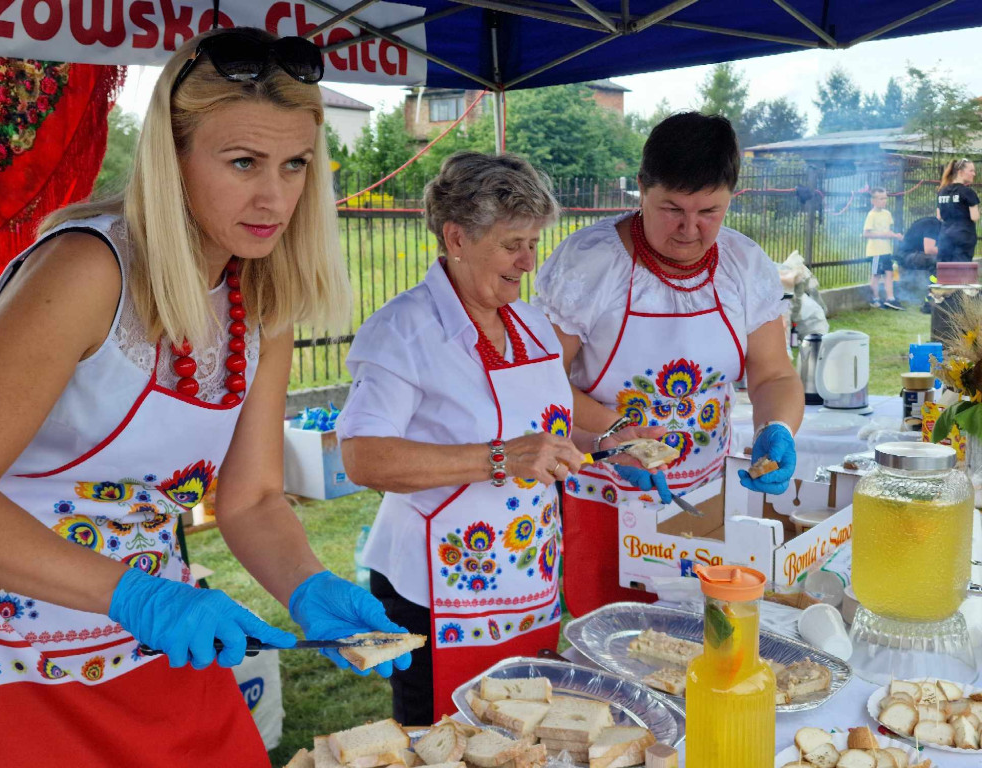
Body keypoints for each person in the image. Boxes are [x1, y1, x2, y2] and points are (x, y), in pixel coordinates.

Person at [0, 28, 408, 767]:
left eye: (296, 165)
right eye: (242, 163)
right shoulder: (86, 270)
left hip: (161, 653)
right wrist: (142, 597)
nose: (276, 196)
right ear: (172, 159)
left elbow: (254, 498)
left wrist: (307, 584)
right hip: (10, 665)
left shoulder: (262, 296)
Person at [337, 152, 654, 725]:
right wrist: (500, 459)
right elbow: (363, 456)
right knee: (447, 739)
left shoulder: (528, 323)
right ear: (456, 237)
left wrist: (611, 439)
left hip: (526, 584)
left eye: (534, 243)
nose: (528, 263)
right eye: (514, 245)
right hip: (435, 592)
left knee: (522, 733)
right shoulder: (404, 331)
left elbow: (551, 423)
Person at [534, 112, 804, 618]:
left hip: (707, 496)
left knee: (702, 638)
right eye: (672, 209)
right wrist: (620, 434)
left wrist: (780, 429)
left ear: (731, 198)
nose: (689, 229)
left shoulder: (744, 264)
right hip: (607, 495)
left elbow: (774, 374)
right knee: (616, 646)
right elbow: (538, 384)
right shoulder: (591, 263)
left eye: (709, 211)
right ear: (641, 189)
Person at [863, 187, 904, 310]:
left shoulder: (887, 214)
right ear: (873, 201)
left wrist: (895, 236)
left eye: (885, 198)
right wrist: (885, 235)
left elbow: (888, 231)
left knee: (889, 274)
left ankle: (890, 298)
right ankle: (874, 299)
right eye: (881, 199)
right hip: (875, 251)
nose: (884, 201)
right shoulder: (871, 215)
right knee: (876, 275)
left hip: (886, 251)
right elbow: (866, 234)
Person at [896, 215, 941, 314]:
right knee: (938, 264)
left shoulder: (932, 222)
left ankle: (938, 297)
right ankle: (929, 303)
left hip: (909, 254)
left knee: (940, 262)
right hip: (906, 256)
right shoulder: (933, 224)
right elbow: (928, 249)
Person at [937, 158, 979, 263]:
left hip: (945, 237)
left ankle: (933, 280)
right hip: (963, 238)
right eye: (971, 171)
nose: (974, 174)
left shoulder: (942, 191)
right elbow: (975, 217)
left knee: (944, 271)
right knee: (960, 272)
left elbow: (939, 216)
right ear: (960, 172)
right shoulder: (968, 192)